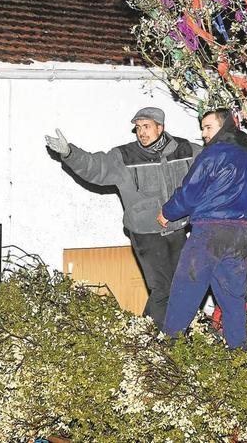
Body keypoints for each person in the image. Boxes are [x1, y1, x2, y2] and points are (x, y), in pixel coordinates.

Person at [44, 107, 201, 329]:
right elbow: (94, 167)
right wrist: (69, 153)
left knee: (181, 285)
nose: (141, 133)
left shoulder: (187, 150)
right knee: (162, 287)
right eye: (138, 128)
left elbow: (212, 164)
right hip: (146, 233)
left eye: (146, 127)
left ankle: (162, 333)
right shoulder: (125, 156)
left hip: (177, 228)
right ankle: (152, 336)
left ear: (160, 127)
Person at [158, 109, 247, 349]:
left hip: (208, 232)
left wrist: (167, 212)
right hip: (239, 236)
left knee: (184, 293)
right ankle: (239, 355)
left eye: (208, 127)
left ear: (225, 126)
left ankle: (167, 352)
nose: (203, 133)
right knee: (233, 300)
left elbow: (190, 192)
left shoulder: (214, 154)